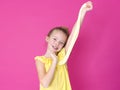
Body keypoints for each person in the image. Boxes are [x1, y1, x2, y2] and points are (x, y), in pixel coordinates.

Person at [34, 1, 93, 90]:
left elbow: (73, 35)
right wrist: (54, 62)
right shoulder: (40, 60)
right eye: (54, 39)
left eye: (61, 42)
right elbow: (45, 84)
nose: (57, 43)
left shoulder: (62, 56)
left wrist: (82, 11)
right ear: (47, 39)